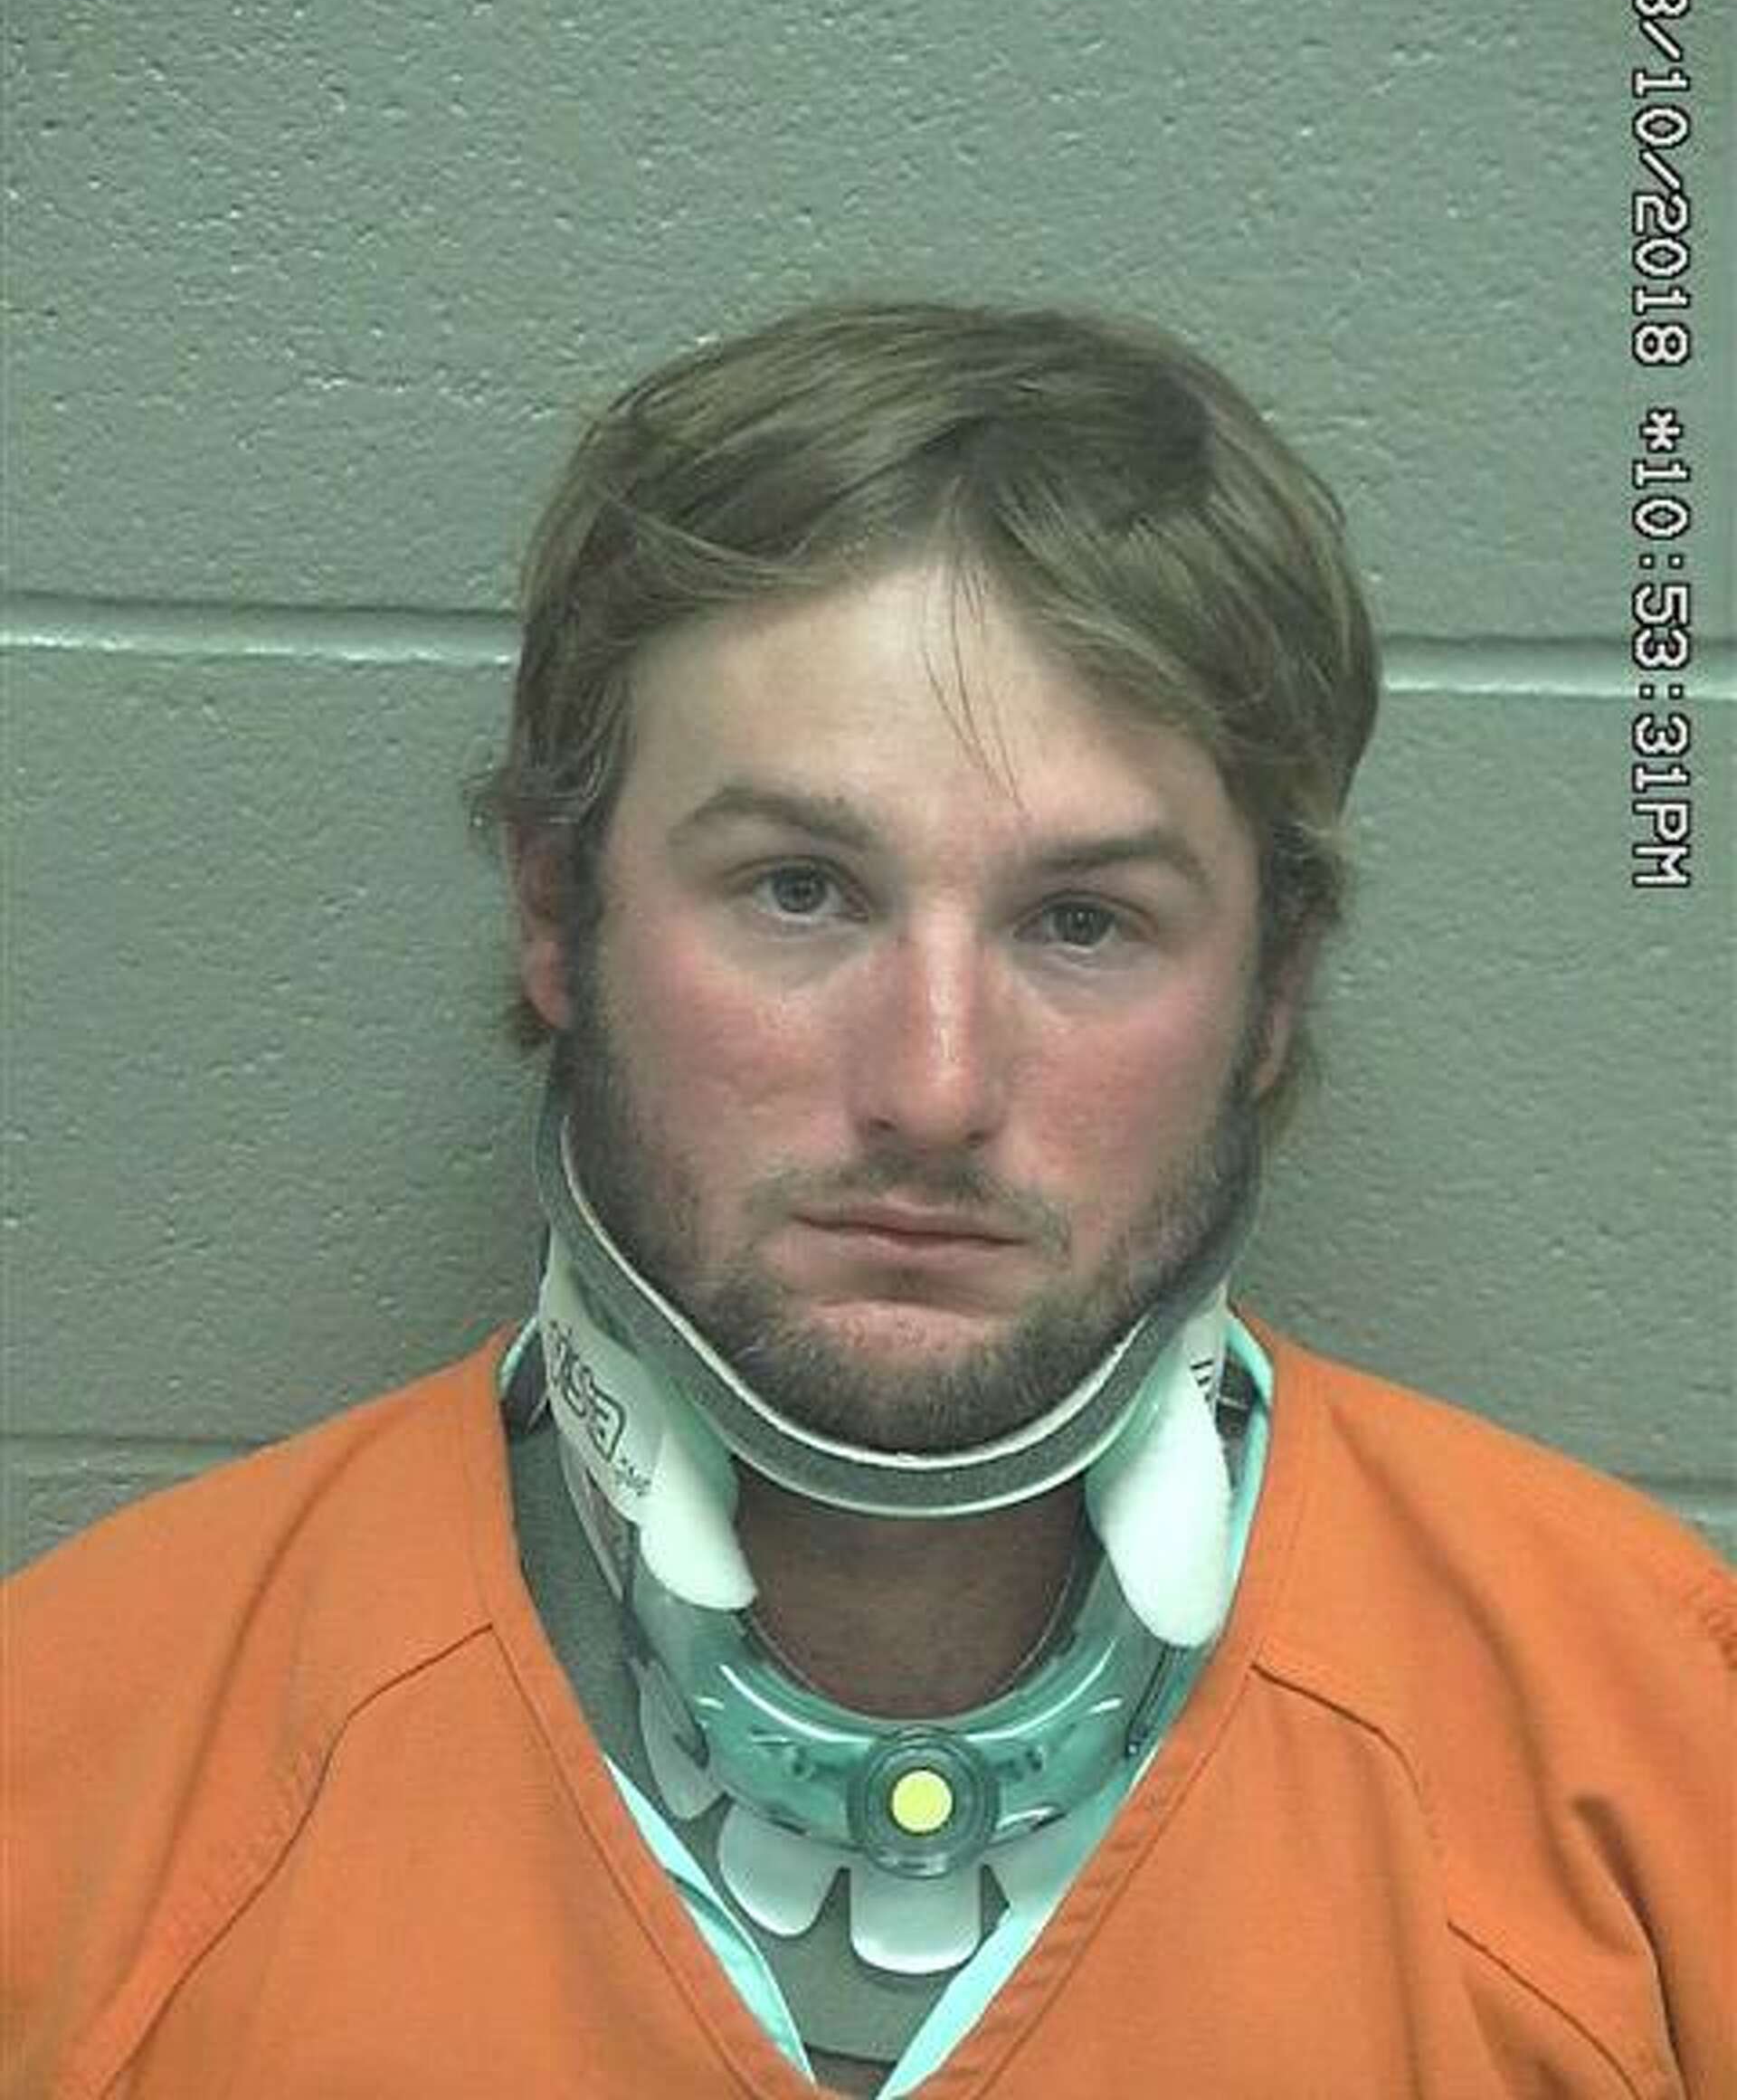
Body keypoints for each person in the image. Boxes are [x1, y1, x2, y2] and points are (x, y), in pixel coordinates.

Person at [5, 302, 1730, 2100]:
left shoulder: (1664, 1759)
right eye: (800, 890)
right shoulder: (69, 1775)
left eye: (1085, 922)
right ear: (555, 909)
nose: (933, 1089)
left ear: (1274, 991)